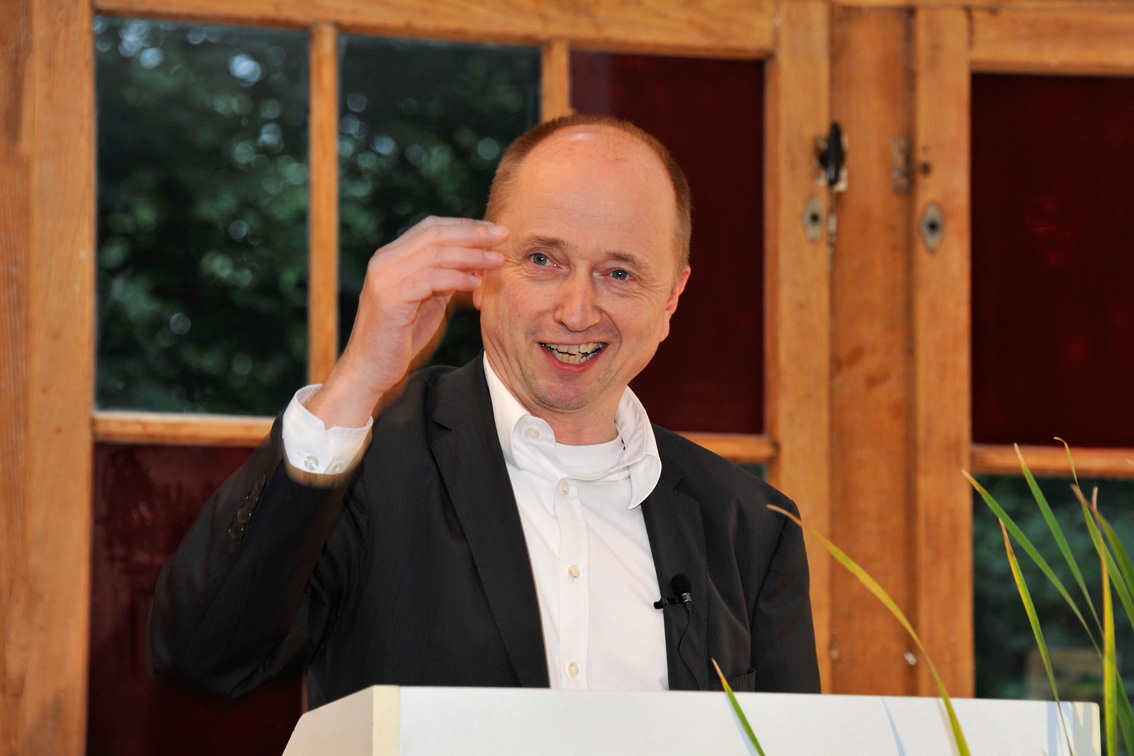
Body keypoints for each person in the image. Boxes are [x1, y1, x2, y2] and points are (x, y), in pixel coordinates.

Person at [149, 114, 820, 709]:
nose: (577, 311)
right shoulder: (369, 461)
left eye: (619, 273)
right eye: (542, 259)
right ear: (482, 269)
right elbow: (207, 657)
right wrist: (356, 382)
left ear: (672, 298)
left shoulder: (752, 530)